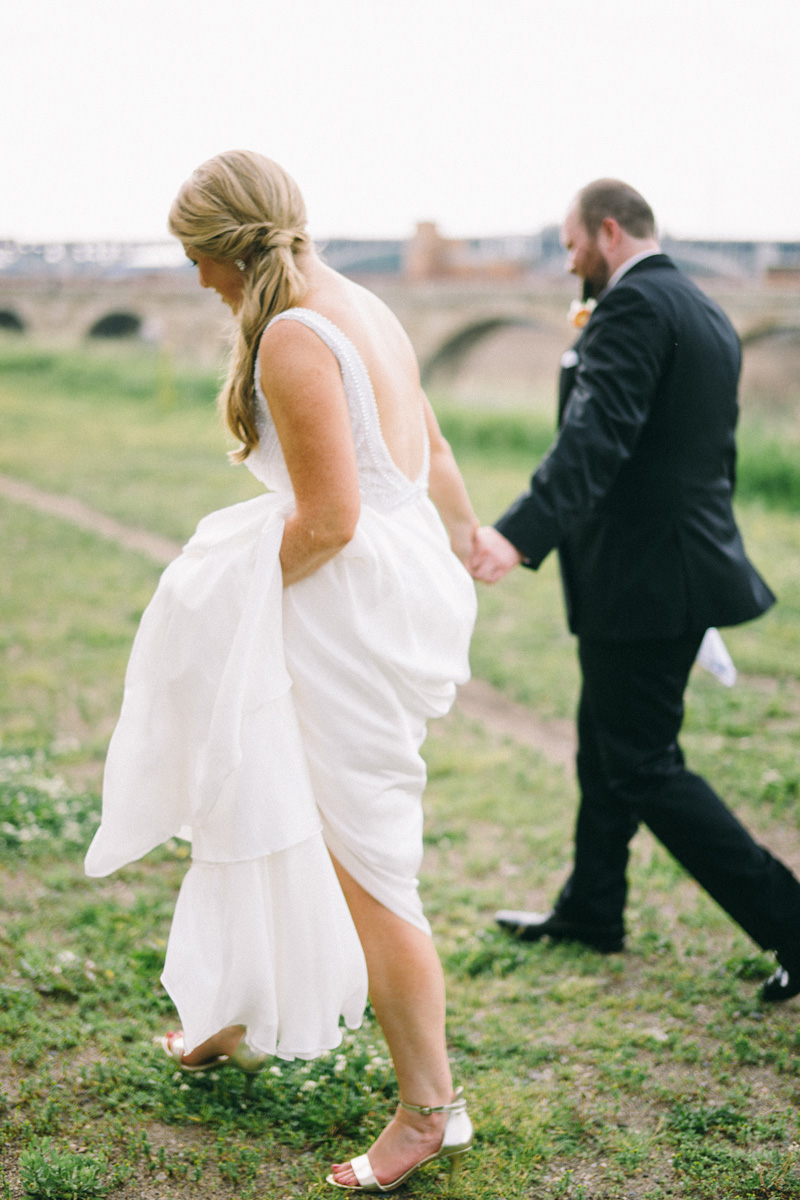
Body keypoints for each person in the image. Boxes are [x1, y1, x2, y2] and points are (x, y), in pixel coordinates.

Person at [84, 150, 477, 1190]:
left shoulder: (295, 340)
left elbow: (332, 522)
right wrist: (466, 535)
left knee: (368, 862)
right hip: (394, 584)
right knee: (259, 787)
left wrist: (235, 598)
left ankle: (430, 1111)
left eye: (197, 260)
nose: (197, 282)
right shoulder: (360, 300)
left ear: (226, 249)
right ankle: (232, 1014)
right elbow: (426, 444)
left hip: (344, 613)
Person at [470, 178, 800, 1002]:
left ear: (608, 231)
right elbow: (701, 459)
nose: (569, 259)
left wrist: (517, 533)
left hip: (650, 575)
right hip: (667, 570)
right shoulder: (702, 310)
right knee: (605, 740)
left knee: (645, 764)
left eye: (572, 243)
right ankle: (592, 906)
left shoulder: (636, 309)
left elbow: (596, 438)